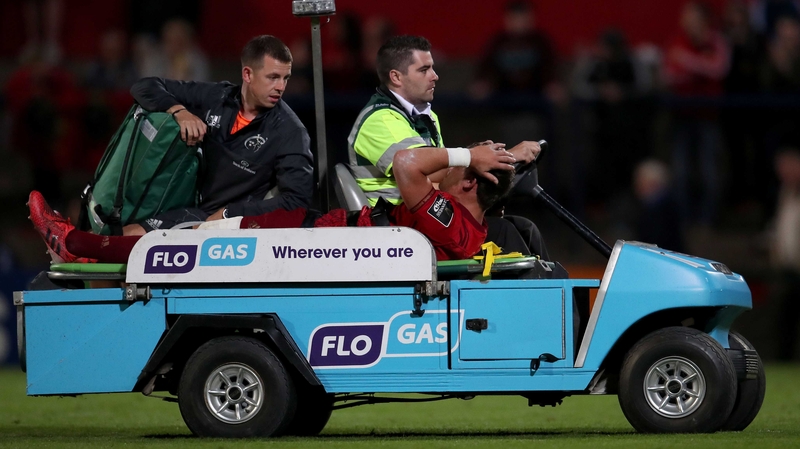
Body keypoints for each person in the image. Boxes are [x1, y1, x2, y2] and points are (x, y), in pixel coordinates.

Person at [28, 143, 516, 263]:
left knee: (183, 249)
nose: (447, 165)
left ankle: (73, 243)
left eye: (459, 169)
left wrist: (465, 155)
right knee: (187, 236)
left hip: (308, 244)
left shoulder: (450, 220)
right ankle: (89, 247)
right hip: (315, 233)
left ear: (470, 185)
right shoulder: (465, 225)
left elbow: (407, 164)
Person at [347, 35, 549, 258]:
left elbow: (446, 175)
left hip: (426, 219)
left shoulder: (427, 116)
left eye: (432, 68)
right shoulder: (380, 120)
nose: (435, 76)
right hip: (396, 230)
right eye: (424, 70)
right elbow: (423, 168)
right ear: (396, 77)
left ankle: (558, 290)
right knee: (504, 232)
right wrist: (501, 156)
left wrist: (491, 169)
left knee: (524, 228)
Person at [125, 34, 314, 235]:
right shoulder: (217, 97)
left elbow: (297, 201)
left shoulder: (290, 131)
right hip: (182, 205)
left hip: (223, 225)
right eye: (273, 77)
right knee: (127, 233)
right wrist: (179, 111)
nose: (281, 87)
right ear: (248, 74)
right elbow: (145, 86)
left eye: (286, 78)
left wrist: (230, 213)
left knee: (136, 238)